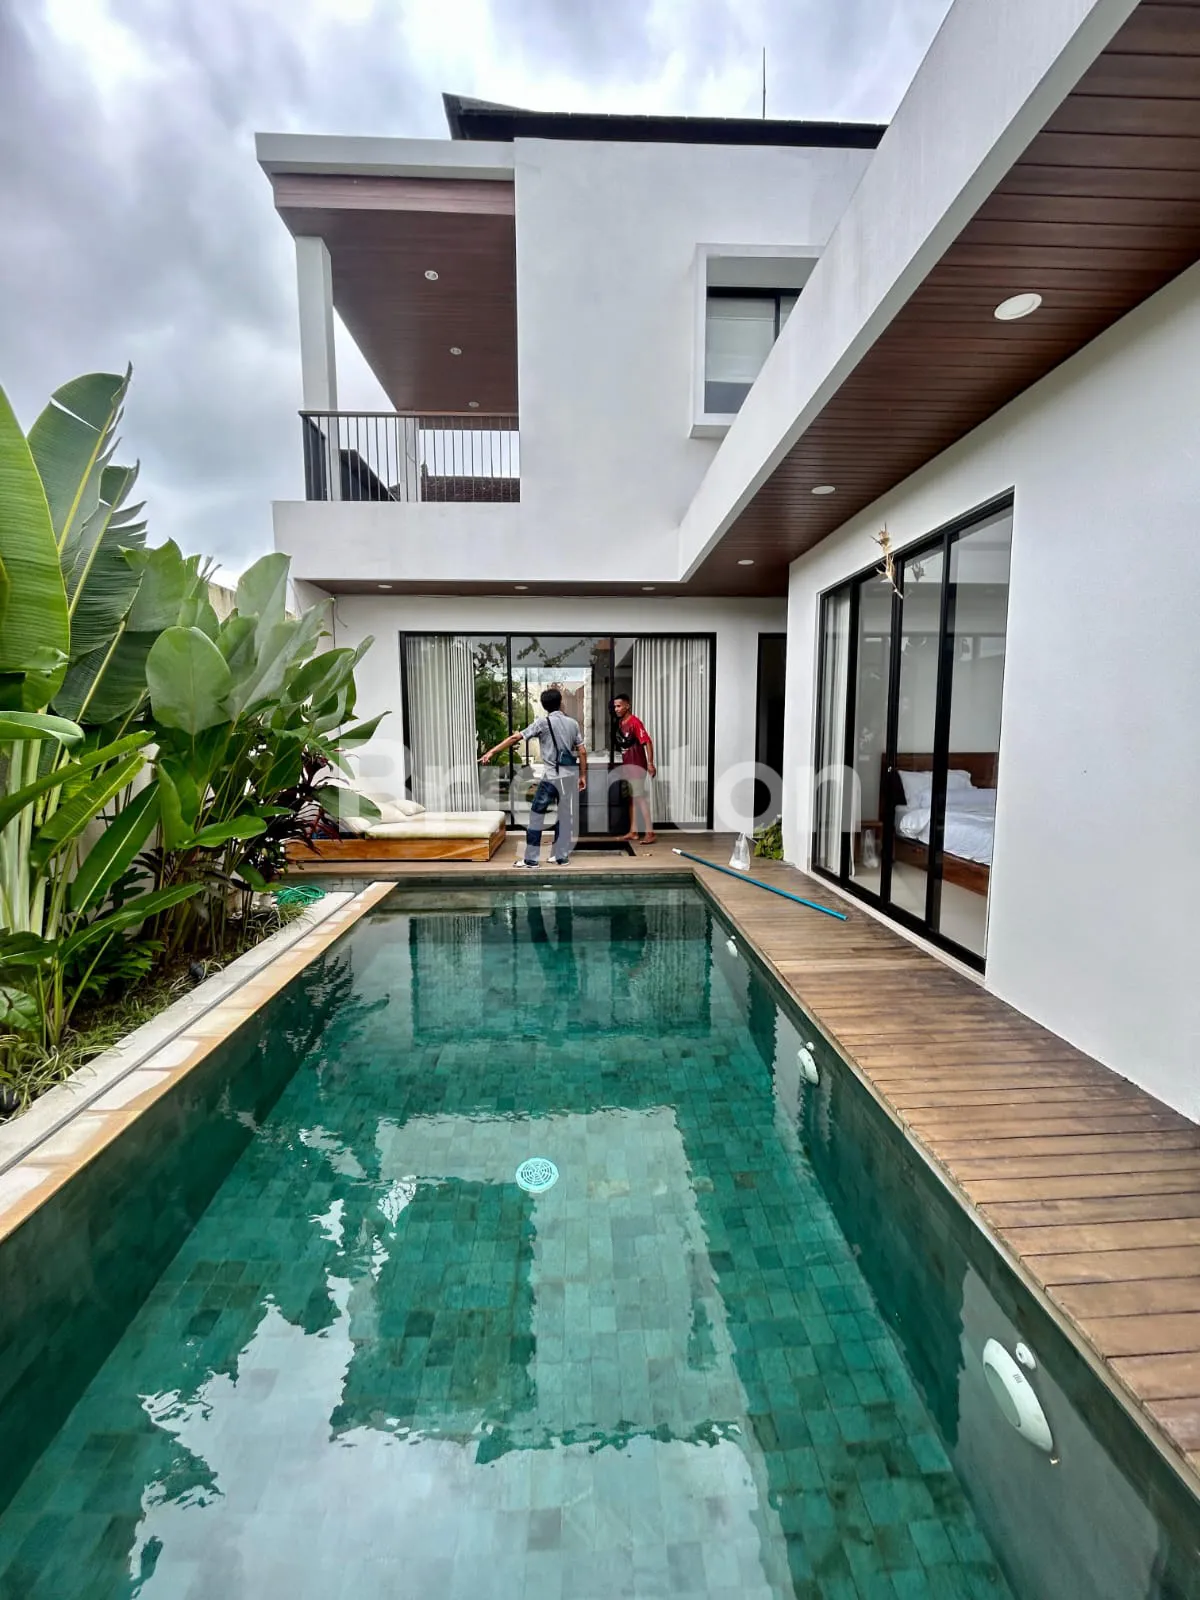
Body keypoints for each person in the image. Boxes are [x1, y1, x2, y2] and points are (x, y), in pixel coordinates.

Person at [479, 687, 587, 867]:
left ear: (544, 706)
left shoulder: (542, 723)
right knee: (564, 816)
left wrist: (491, 751)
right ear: (560, 702)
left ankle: (531, 859)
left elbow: (515, 738)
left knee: (537, 815)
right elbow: (582, 751)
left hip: (551, 778)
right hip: (568, 778)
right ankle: (560, 857)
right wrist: (583, 775)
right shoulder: (573, 723)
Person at [612, 694, 656, 844]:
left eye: (619, 706)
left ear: (627, 706)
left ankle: (650, 832)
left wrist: (650, 763)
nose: (616, 709)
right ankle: (633, 831)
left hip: (637, 766)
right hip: (627, 766)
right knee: (631, 798)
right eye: (615, 706)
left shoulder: (635, 722)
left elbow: (647, 742)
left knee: (639, 797)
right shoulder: (621, 723)